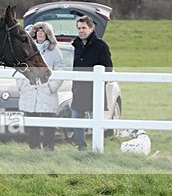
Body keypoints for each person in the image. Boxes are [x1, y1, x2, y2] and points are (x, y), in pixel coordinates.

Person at [18, 22, 65, 150]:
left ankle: (48, 148)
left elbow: (60, 72)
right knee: (31, 122)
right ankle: (34, 148)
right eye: (38, 30)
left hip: (46, 91)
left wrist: (51, 88)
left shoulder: (55, 52)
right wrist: (21, 86)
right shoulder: (26, 50)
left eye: (43, 30)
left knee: (48, 122)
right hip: (29, 90)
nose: (40, 32)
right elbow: (20, 68)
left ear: (48, 34)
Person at [70, 15, 113, 151]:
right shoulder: (76, 45)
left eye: (84, 28)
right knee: (76, 119)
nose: (81, 31)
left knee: (96, 120)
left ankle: (97, 148)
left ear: (91, 28)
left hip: (95, 90)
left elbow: (108, 68)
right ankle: (81, 147)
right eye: (79, 28)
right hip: (78, 90)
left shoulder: (101, 46)